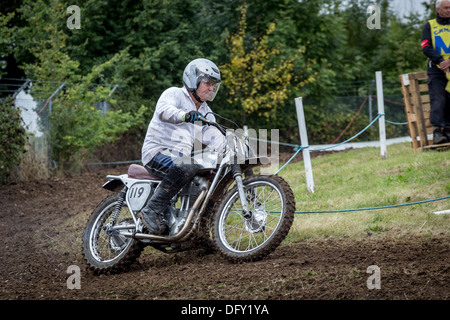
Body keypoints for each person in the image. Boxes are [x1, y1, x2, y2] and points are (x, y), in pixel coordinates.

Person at [139, 58, 226, 235]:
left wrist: (232, 146)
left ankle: (199, 230)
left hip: (179, 159)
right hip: (156, 152)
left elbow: (214, 137)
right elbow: (163, 110)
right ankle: (151, 210)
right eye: (207, 83)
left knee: (209, 175)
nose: (211, 88)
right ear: (193, 80)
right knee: (186, 165)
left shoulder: (205, 111)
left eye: (213, 85)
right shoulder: (174, 93)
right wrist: (185, 115)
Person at [421, 0, 450, 144]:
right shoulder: (430, 25)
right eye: (446, 8)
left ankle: (449, 130)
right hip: (436, 69)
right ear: (438, 9)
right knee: (438, 99)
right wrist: (441, 61)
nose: (449, 10)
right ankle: (438, 131)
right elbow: (426, 46)